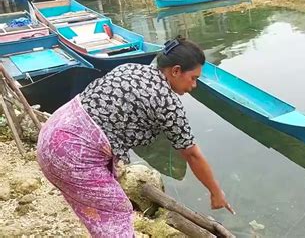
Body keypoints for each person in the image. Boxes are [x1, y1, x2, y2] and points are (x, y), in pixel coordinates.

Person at [36, 35, 234, 237]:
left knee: (99, 212)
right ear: (175, 71)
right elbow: (192, 154)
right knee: (117, 210)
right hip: (72, 155)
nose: (194, 86)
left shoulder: (129, 68)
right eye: (193, 78)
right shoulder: (168, 104)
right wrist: (216, 193)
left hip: (51, 134)